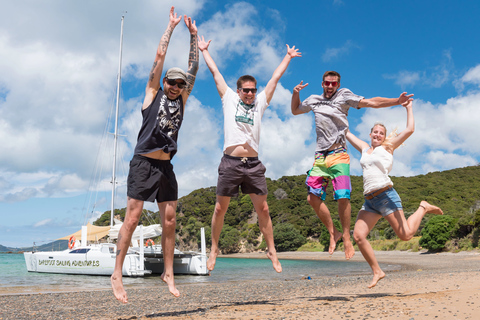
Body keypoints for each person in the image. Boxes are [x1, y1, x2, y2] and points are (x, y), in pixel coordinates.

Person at [111, 6, 198, 303]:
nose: (174, 86)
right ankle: (117, 274)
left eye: (179, 83)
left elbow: (193, 68)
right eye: (171, 82)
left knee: (170, 221)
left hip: (166, 168)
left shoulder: (183, 99)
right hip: (143, 163)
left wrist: (194, 37)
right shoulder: (152, 94)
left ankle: (168, 273)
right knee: (132, 219)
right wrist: (171, 28)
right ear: (163, 84)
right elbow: (159, 59)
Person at [198, 35, 301, 273]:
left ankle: (272, 250)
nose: (250, 94)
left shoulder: (260, 103)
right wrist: (204, 50)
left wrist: (287, 57)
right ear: (238, 90)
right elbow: (216, 74)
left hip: (253, 164)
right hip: (231, 162)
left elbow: (275, 78)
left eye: (253, 90)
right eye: (246, 90)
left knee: (263, 209)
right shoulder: (229, 98)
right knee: (219, 209)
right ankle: (214, 249)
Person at [291, 71, 414, 260]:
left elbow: (371, 102)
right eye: (327, 83)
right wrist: (295, 93)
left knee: (342, 196)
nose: (330, 86)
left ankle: (346, 238)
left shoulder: (344, 96)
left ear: (338, 85)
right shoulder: (314, 99)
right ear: (322, 84)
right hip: (320, 157)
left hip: (339, 154)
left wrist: (397, 101)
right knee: (312, 199)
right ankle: (334, 232)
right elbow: (296, 110)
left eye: (334, 84)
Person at [346, 99, 443, 288]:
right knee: (358, 236)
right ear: (370, 133)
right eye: (375, 131)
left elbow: (409, 130)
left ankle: (423, 207)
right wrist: (340, 112)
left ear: (384, 137)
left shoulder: (388, 148)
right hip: (370, 201)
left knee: (406, 235)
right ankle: (377, 271)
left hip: (386, 196)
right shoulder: (365, 149)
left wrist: (409, 108)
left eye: (381, 133)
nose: (378, 135)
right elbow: (346, 131)